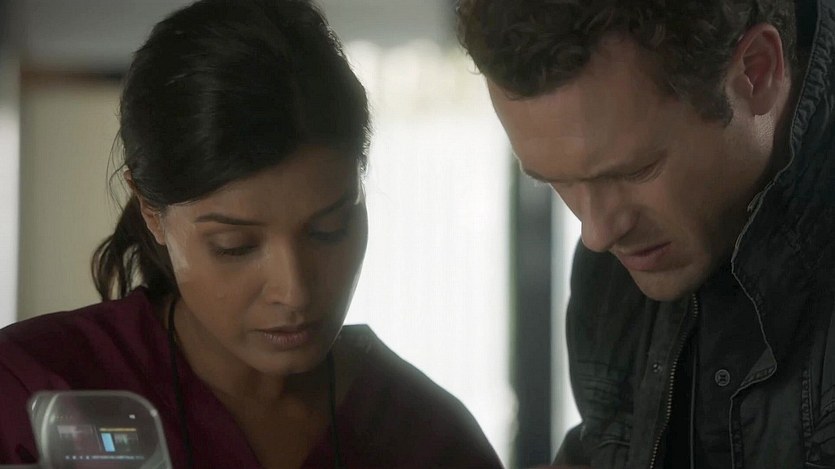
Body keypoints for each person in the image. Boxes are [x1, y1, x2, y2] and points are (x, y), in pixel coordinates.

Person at [0, 1, 503, 468]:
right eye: (235, 247)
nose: (294, 292)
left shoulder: (428, 438)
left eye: (329, 230)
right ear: (151, 211)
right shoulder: (31, 391)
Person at [458, 0, 835, 467]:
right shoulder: (612, 274)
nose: (597, 235)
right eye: (558, 182)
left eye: (635, 171)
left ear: (756, 72)